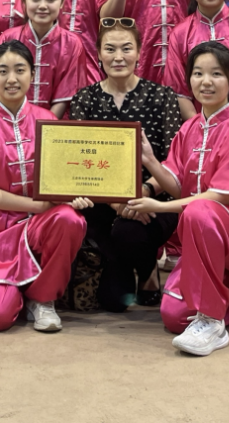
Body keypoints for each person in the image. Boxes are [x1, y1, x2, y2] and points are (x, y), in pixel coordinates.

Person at [129, 41, 229, 356]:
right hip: (206, 232)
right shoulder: (189, 129)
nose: (206, 81)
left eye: (216, 74)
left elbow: (219, 198)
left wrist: (159, 207)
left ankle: (212, 321)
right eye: (198, 73)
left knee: (199, 211)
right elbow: (178, 185)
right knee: (173, 315)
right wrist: (150, 162)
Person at [0, 40, 89, 332]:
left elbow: (62, 180)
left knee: (70, 219)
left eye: (20, 70)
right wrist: (37, 205)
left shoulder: (48, 120)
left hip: (37, 226)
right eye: (3, 71)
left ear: (32, 74)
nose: (11, 79)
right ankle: (1, 291)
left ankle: (43, 298)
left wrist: (72, 196)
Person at [66, 18, 183, 312]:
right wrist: (117, 201)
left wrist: (144, 190)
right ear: (98, 54)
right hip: (101, 202)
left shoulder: (163, 97)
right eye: (110, 49)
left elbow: (174, 160)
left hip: (153, 200)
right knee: (113, 301)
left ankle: (146, 269)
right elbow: (81, 163)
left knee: (129, 232)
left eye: (126, 48)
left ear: (139, 52)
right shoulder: (84, 100)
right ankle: (131, 265)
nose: (118, 57)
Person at [0, 0, 90, 117]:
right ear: (24, 1)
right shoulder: (8, 38)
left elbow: (66, 97)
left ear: (62, 3)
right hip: (8, 121)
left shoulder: (72, 43)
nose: (42, 6)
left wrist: (43, 127)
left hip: (54, 125)